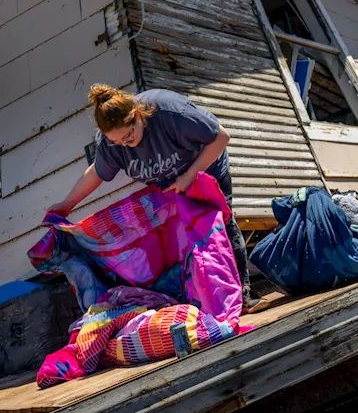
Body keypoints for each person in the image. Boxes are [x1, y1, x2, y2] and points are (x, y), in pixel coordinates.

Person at [48, 85, 263, 311]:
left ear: (137, 116)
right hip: (169, 186)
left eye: (128, 137)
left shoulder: (170, 112)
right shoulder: (112, 142)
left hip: (205, 171)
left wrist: (190, 176)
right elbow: (96, 173)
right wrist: (66, 205)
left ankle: (243, 292)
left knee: (219, 226)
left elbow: (221, 137)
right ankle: (204, 298)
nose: (125, 145)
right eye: (118, 142)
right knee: (183, 238)